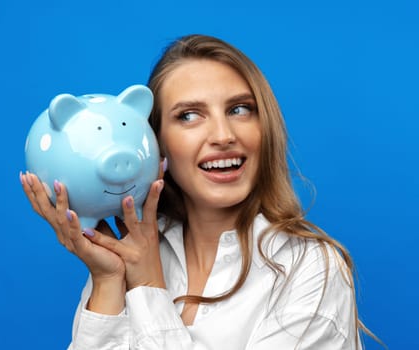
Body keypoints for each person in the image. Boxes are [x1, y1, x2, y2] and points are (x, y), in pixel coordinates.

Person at [20, 34, 377, 349]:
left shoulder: (310, 268)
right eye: (189, 115)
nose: (223, 135)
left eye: (240, 109)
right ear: (156, 144)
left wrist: (147, 285)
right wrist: (108, 279)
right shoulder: (135, 252)